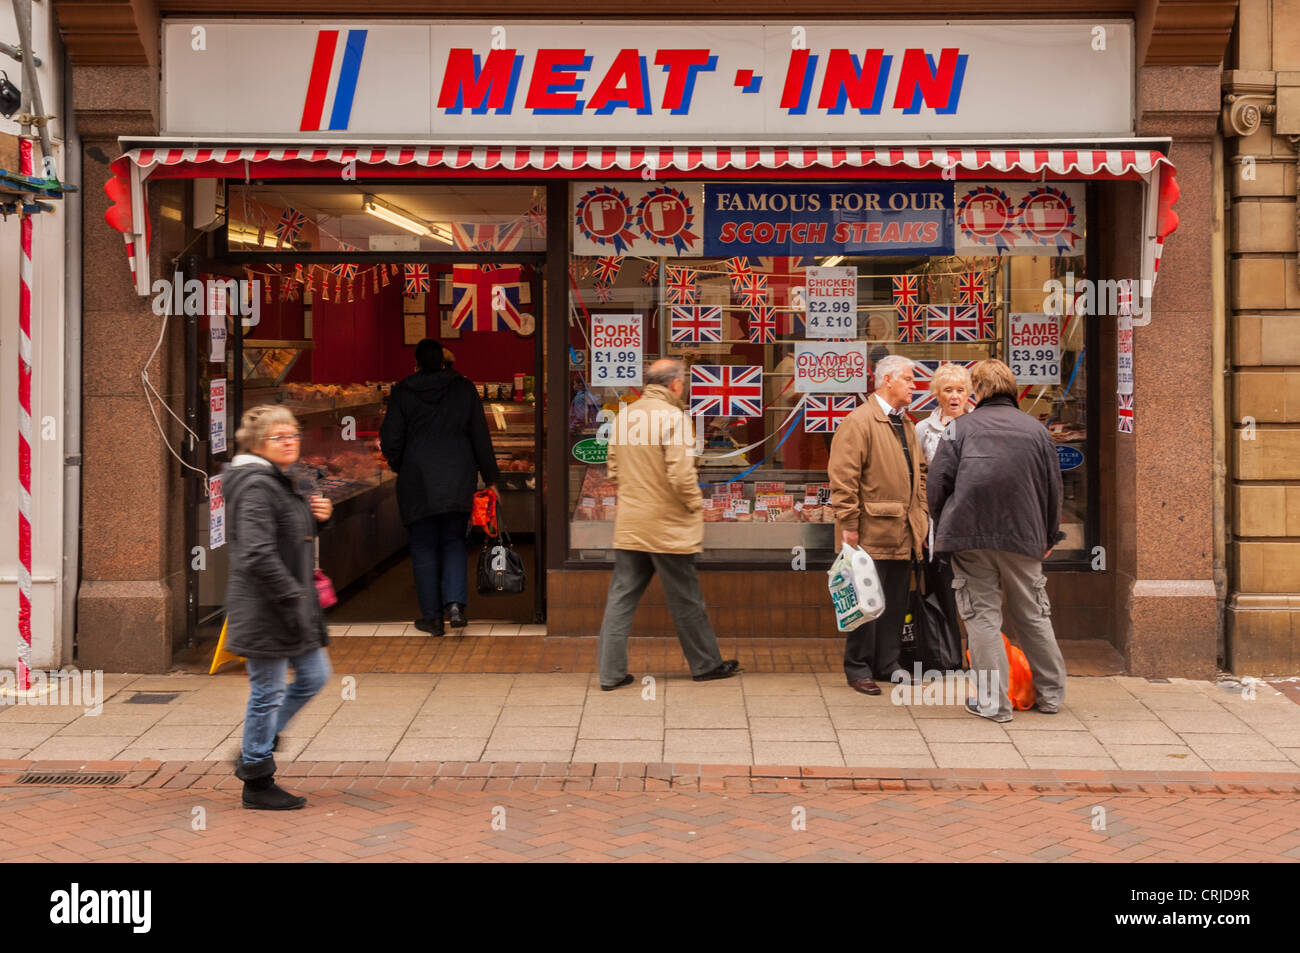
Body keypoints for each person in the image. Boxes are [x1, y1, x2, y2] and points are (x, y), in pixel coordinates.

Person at [927, 358, 1067, 723]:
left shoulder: (959, 429)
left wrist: (945, 527)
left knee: (982, 619)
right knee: (1034, 614)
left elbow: (937, 485)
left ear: (979, 390)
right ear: (1011, 387)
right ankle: (1051, 695)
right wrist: (1049, 535)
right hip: (1024, 535)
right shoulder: (1036, 431)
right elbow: (1054, 488)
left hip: (969, 536)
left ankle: (994, 704)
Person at [597, 359, 739, 689]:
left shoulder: (625, 415)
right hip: (667, 525)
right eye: (684, 381)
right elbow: (680, 474)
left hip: (631, 523)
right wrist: (694, 505)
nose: (685, 386)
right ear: (674, 384)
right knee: (686, 599)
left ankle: (610, 673)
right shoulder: (673, 417)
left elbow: (614, 470)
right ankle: (705, 664)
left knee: (620, 598)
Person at [223, 405, 334, 810]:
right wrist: (292, 594)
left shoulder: (275, 479)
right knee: (267, 691)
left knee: (314, 675)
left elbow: (285, 532)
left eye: (293, 434)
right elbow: (255, 552)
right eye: (278, 436)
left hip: (288, 604)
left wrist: (317, 519)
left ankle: (260, 741)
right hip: (266, 606)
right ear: (258, 444)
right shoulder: (255, 484)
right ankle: (256, 777)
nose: (289, 441)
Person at [381, 338, 499, 635]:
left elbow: (390, 440)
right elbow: (480, 436)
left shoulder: (403, 392)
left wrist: (400, 465)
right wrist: (492, 478)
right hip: (457, 477)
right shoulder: (464, 388)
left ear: (417, 362)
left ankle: (432, 619)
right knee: (454, 541)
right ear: (445, 361)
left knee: (422, 546)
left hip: (416, 480)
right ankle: (456, 605)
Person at [828, 354, 929, 696]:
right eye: (909, 380)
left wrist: (922, 514)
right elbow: (843, 478)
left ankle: (889, 664)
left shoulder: (907, 424)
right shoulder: (859, 422)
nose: (915, 386)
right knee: (865, 603)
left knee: (895, 603)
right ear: (888, 380)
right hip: (870, 531)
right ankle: (858, 667)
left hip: (904, 530)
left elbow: (921, 474)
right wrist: (849, 525)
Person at [912, 363, 973, 661]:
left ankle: (978, 655)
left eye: (960, 390)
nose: (954, 396)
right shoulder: (923, 429)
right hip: (936, 526)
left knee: (975, 596)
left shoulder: (978, 425)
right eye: (948, 390)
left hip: (971, 526)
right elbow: (918, 480)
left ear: (969, 394)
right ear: (936, 393)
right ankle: (948, 655)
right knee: (943, 592)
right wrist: (923, 524)